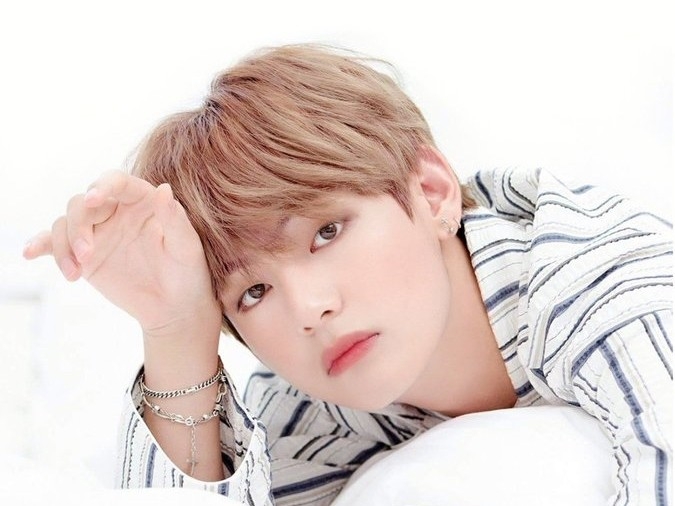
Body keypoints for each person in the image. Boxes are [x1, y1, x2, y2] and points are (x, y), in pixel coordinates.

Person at [23, 44, 672, 505]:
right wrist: (175, 328)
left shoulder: (607, 284)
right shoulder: (313, 409)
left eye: (327, 233)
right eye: (253, 292)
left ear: (431, 190)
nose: (308, 308)